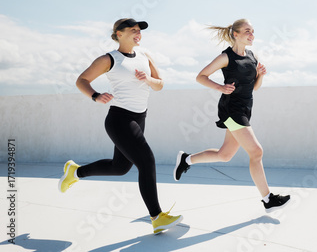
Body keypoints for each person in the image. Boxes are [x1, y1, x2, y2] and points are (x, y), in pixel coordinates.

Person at [58, 18, 182, 234]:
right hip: (120, 120)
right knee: (147, 160)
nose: (138, 33)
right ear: (119, 33)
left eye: (139, 31)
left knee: (120, 167)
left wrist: (148, 80)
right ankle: (157, 216)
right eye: (133, 30)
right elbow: (82, 80)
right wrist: (95, 95)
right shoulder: (109, 59)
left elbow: (160, 84)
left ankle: (75, 172)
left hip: (140, 118)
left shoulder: (145, 56)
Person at [173, 18, 290, 212]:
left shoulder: (253, 56)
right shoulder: (226, 57)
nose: (251, 35)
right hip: (231, 110)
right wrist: (220, 87)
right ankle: (268, 199)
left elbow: (254, 88)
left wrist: (261, 75)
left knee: (224, 155)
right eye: (247, 31)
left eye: (253, 31)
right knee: (256, 151)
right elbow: (200, 76)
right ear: (235, 34)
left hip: (245, 108)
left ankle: (186, 159)